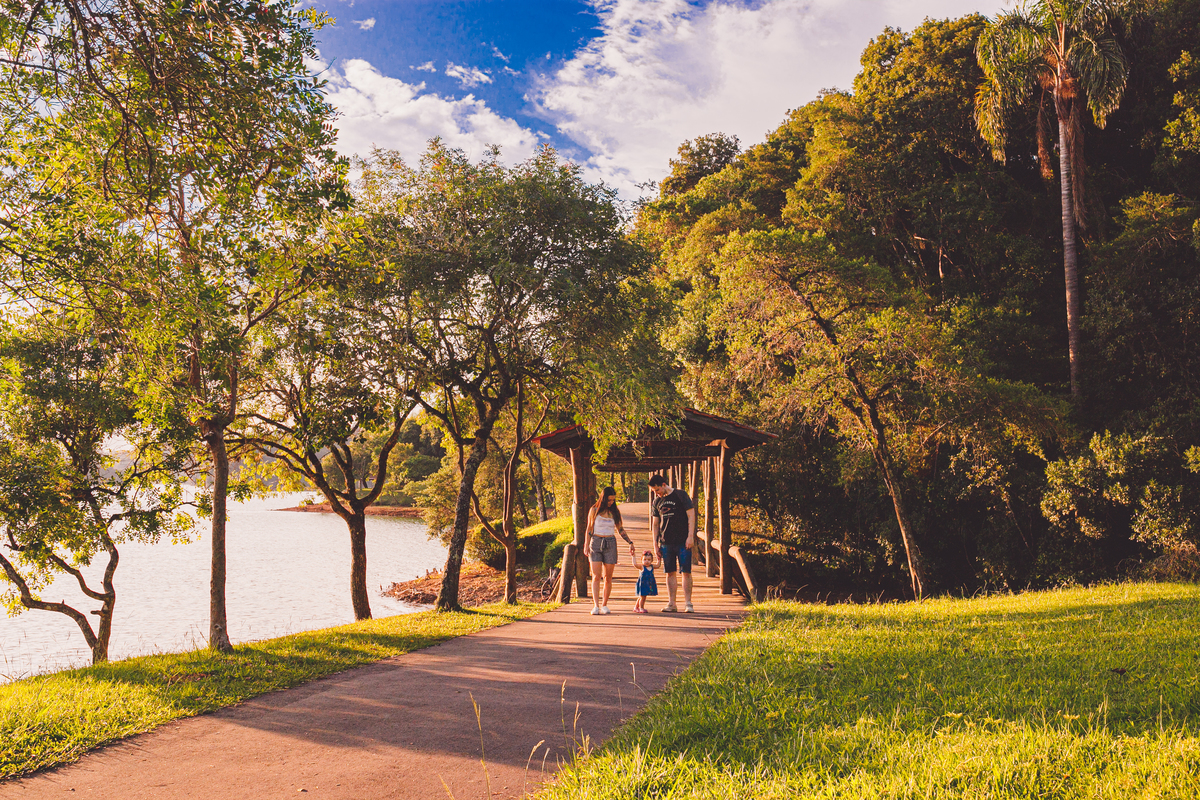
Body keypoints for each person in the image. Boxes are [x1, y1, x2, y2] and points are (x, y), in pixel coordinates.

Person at [649, 474, 695, 612]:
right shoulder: (657, 502)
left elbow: (691, 515)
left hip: (683, 540)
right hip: (666, 542)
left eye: (657, 490)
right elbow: (655, 524)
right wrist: (655, 544)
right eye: (654, 491)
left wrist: (690, 536)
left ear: (664, 485)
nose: (656, 493)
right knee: (669, 572)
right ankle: (672, 603)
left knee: (686, 571)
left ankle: (688, 603)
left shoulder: (681, 495)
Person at [586, 486, 635, 615]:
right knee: (596, 576)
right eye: (609, 500)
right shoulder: (594, 510)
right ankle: (595, 605)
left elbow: (620, 529)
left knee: (608, 577)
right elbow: (589, 529)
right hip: (596, 543)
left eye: (613, 500)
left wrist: (630, 542)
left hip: (610, 543)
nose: (611, 502)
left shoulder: (614, 512)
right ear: (603, 499)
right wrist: (586, 545)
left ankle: (604, 604)